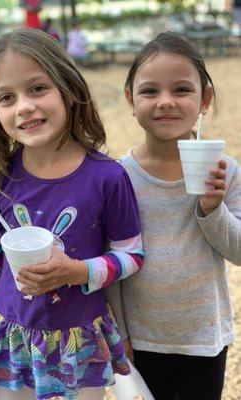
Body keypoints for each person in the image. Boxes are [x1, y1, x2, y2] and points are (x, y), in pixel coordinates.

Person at [0, 28, 144, 400]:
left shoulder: (107, 178)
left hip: (79, 343)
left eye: (37, 89)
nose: (24, 107)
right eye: (7, 98)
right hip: (8, 344)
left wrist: (77, 271)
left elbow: (132, 256)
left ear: (69, 88)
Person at [106, 32, 241, 400]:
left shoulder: (225, 172)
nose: (165, 102)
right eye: (150, 91)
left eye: (181, 90)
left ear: (205, 99)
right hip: (144, 339)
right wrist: (119, 334)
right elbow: (114, 263)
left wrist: (211, 210)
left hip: (205, 336)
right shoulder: (117, 177)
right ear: (131, 100)